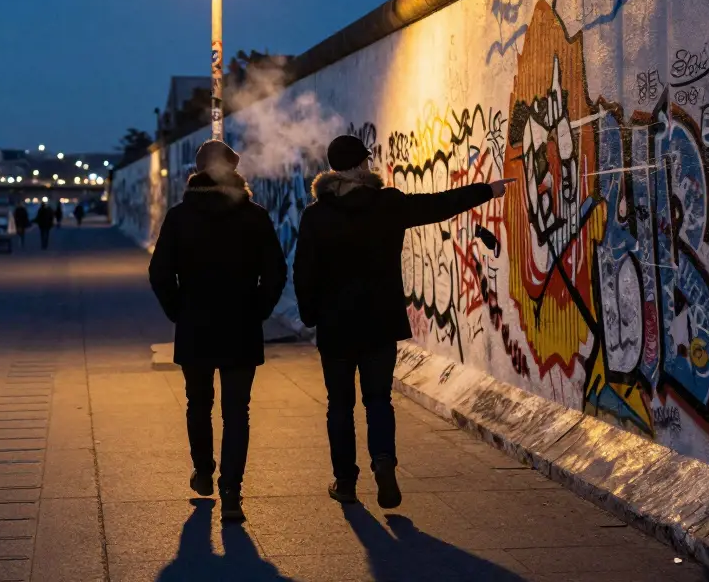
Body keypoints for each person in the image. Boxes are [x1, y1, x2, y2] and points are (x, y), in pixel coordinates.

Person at [293, 135, 513, 509]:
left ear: (332, 169)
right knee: (378, 399)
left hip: (336, 325)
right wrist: (487, 190)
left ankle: (345, 482)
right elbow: (439, 205)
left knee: (339, 405)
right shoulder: (387, 204)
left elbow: (303, 271)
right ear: (363, 164)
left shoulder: (316, 215)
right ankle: (383, 464)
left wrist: (311, 315)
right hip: (380, 321)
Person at [149, 139, 287, 523]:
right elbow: (275, 272)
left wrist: (179, 310)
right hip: (241, 324)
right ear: (233, 170)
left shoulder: (179, 216)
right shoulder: (254, 215)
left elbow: (159, 272)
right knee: (237, 412)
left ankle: (204, 470)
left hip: (195, 326)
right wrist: (258, 309)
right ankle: (231, 492)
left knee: (198, 404)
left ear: (197, 172)